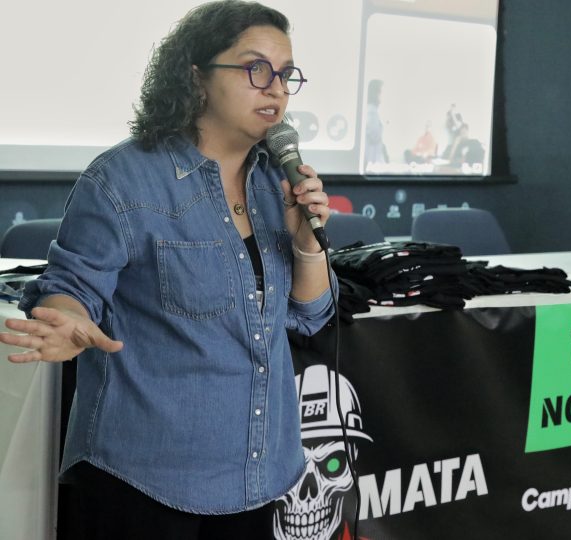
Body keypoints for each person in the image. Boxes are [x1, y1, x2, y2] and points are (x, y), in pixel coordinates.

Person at [0, 2, 337, 538]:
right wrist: (63, 317)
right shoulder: (124, 179)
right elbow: (70, 286)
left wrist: (305, 244)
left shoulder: (278, 180)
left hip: (255, 476)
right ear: (196, 76)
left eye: (285, 74)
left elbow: (311, 316)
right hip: (147, 481)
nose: (275, 88)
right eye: (256, 69)